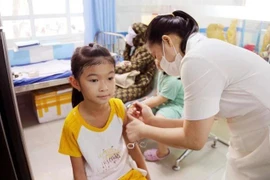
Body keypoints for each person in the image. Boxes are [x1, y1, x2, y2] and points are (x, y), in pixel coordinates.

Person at [126, 10, 270, 180]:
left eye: (155, 55)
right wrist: (152, 121)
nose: (158, 64)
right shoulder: (205, 49)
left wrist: (144, 130)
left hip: (262, 136)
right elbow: (196, 125)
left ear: (167, 41)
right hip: (251, 132)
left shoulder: (196, 60)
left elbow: (194, 139)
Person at [58, 44, 150, 180]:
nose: (104, 87)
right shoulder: (72, 125)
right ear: (75, 83)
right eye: (94, 80)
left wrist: (147, 176)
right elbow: (79, 173)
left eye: (110, 78)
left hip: (129, 174)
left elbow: (132, 146)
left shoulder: (118, 107)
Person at [142, 60, 184, 161]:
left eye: (162, 60)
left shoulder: (174, 80)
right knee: (142, 111)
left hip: (175, 106)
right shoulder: (163, 72)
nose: (157, 62)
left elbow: (160, 100)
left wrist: (137, 105)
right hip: (164, 101)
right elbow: (159, 92)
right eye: (156, 57)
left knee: (159, 120)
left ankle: (162, 152)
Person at [115, 22, 156, 103]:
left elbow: (133, 66)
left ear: (139, 36)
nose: (128, 36)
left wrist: (112, 69)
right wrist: (128, 46)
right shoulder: (138, 47)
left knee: (114, 97)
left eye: (131, 35)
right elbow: (127, 60)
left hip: (140, 83)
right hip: (131, 78)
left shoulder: (146, 49)